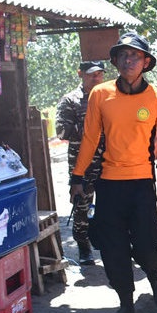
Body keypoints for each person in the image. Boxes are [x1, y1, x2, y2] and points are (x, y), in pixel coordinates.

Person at [70, 32, 157, 313]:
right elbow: (90, 137)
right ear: (115, 61)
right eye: (123, 55)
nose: (129, 60)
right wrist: (77, 177)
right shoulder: (101, 94)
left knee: (147, 244)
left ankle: (156, 277)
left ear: (146, 62)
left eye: (136, 56)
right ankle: (126, 306)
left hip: (142, 183)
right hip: (109, 184)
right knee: (113, 248)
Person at [56, 60, 105, 266]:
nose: (96, 78)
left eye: (99, 74)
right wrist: (90, 128)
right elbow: (61, 131)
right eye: (91, 74)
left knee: (111, 204)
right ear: (80, 74)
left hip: (108, 160)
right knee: (81, 205)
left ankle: (113, 244)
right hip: (81, 163)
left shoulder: (108, 96)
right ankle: (84, 248)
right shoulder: (70, 100)